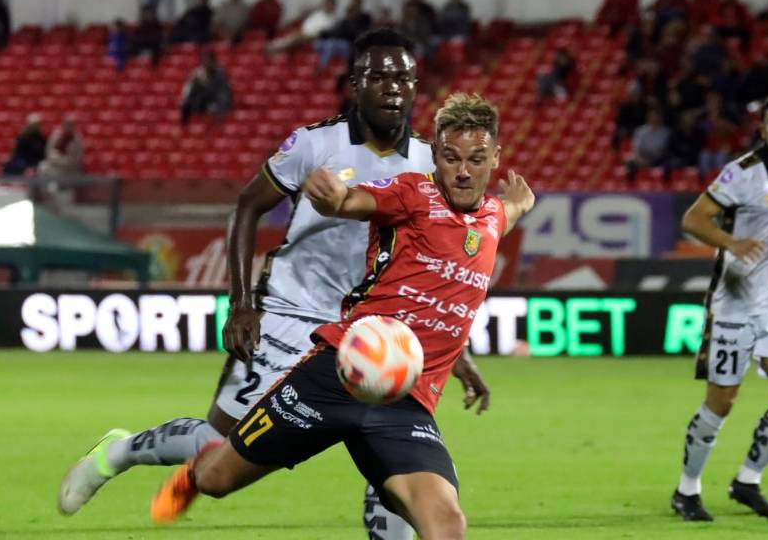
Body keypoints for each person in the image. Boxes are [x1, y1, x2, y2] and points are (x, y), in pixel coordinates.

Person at [57, 29, 490, 540]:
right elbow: (248, 205)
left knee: (396, 459)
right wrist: (242, 304)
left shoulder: (431, 161)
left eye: (403, 78)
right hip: (292, 313)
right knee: (221, 442)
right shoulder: (316, 144)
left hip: (375, 332)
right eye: (379, 77)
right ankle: (118, 452)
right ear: (355, 84)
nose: (393, 88)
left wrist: (455, 355)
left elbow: (438, 265)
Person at [149, 92, 534, 538]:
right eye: (451, 158)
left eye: (476, 159)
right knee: (216, 479)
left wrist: (520, 203)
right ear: (435, 155)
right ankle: (194, 472)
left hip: (404, 401)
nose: (463, 171)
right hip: (334, 376)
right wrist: (332, 198)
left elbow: (503, 213)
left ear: (495, 158)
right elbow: (353, 202)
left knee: (447, 524)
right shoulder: (412, 193)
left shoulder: (494, 216)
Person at [670, 91, 768, 522]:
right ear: (763, 130)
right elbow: (693, 219)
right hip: (734, 305)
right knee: (722, 402)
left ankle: (747, 481)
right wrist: (732, 242)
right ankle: (687, 490)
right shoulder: (741, 174)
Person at [266, 0, 339, 54]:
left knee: (296, 37)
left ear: (334, 6)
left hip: (315, 37)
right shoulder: (318, 12)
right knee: (292, 30)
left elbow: (324, 32)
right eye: (327, 3)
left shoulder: (333, 19)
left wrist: (311, 35)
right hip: (304, 32)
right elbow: (303, 11)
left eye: (330, 4)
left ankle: (276, 47)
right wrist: (317, 7)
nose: (328, 6)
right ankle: (278, 46)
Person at [178, 52, 232, 124]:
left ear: (213, 62)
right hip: (203, 99)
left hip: (216, 98)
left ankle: (218, 121)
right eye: (205, 61)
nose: (207, 63)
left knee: (222, 97)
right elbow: (189, 88)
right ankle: (185, 125)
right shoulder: (198, 73)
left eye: (209, 61)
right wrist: (196, 81)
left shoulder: (220, 73)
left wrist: (206, 83)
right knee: (187, 103)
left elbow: (222, 90)